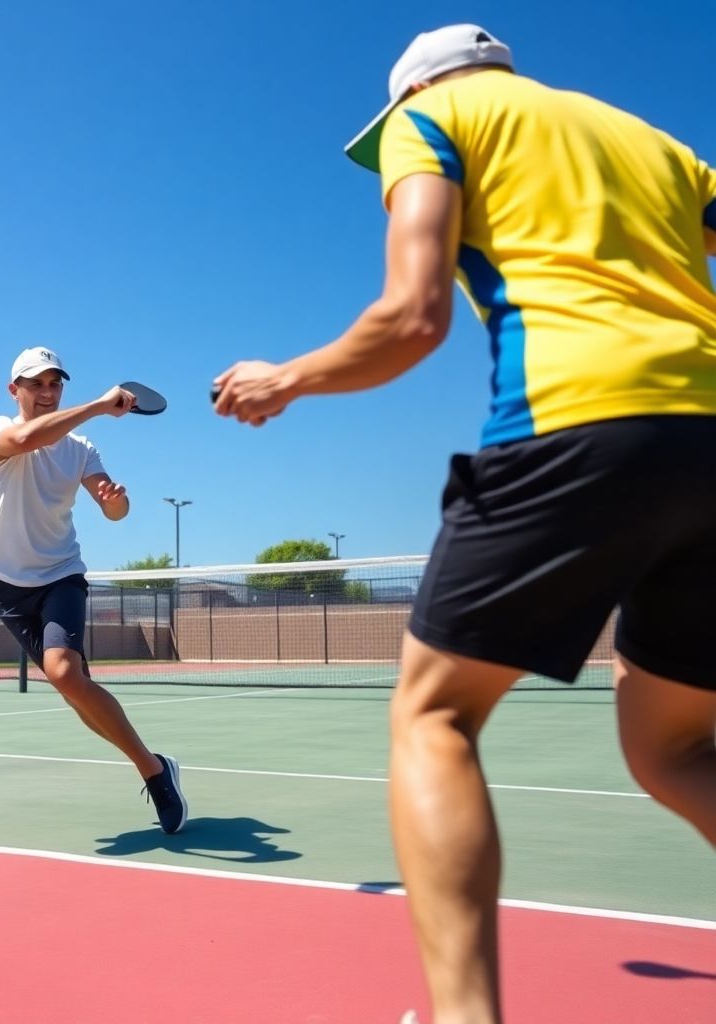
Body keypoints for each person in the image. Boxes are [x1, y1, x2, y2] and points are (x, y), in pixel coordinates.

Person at [213, 23, 716, 1023]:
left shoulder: (432, 118)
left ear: (417, 91)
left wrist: (288, 377)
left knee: (433, 717)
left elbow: (413, 316)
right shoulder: (659, 145)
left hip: (574, 421)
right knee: (677, 750)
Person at [0, 346, 188, 834]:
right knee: (73, 690)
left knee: (65, 673)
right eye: (37, 384)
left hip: (61, 575)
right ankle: (158, 764)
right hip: (8, 585)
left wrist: (117, 503)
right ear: (16, 391)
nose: (47, 392)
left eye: (55, 384)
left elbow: (114, 512)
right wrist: (97, 404)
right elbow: (27, 438)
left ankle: (153, 775)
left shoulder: (83, 449)